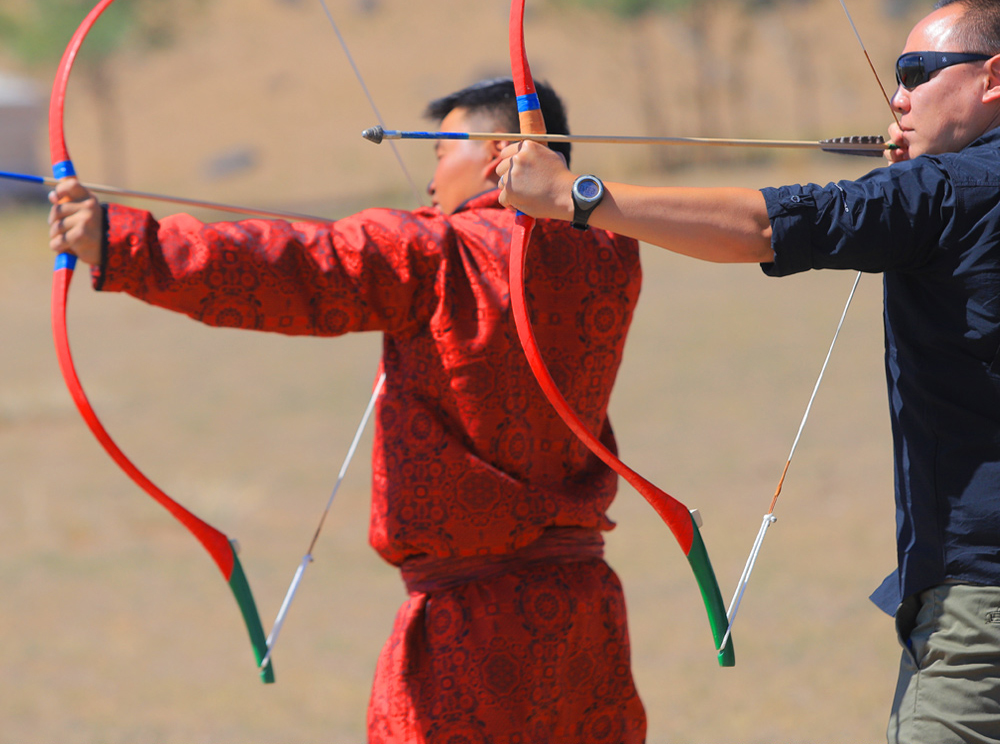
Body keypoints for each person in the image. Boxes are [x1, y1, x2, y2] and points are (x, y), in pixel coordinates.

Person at [49, 77, 646, 743]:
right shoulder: (612, 248)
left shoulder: (434, 252)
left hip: (470, 632)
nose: (430, 181)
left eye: (441, 150)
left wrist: (121, 241)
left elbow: (294, 269)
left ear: (502, 152)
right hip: (586, 620)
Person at [497, 0, 1000, 744]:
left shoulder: (946, 192)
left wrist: (574, 195)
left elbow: (767, 225)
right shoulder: (946, 192)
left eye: (919, 71)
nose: (897, 98)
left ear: (993, 78)